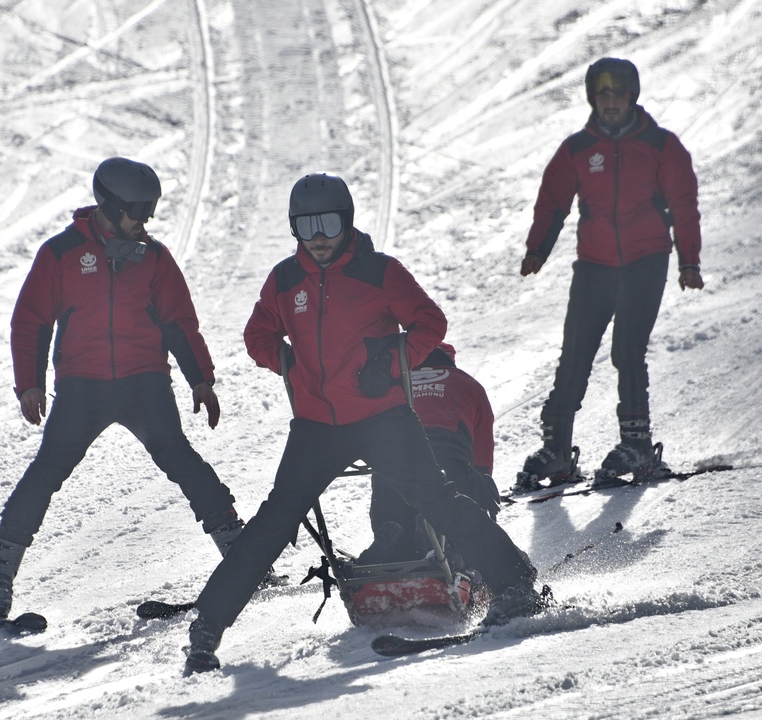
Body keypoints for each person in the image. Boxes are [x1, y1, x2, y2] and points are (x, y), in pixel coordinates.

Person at [183, 173, 543, 674]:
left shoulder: (380, 273)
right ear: (294, 229)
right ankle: (207, 627)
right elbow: (257, 334)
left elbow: (430, 324)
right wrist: (290, 365)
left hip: (382, 417)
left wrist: (391, 366)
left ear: (347, 221)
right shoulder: (286, 281)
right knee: (273, 521)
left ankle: (516, 586)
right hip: (317, 425)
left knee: (436, 500)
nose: (319, 235)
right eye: (306, 225)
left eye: (328, 222)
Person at [0, 157, 251, 621]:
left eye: (150, 211)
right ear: (108, 204)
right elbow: (32, 320)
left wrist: (199, 378)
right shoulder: (61, 254)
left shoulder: (155, 258)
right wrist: (30, 383)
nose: (144, 221)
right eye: (137, 211)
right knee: (47, 472)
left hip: (144, 382)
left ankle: (245, 558)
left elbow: (179, 323)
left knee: (180, 458)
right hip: (83, 387)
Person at [517, 57, 705, 489]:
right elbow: (553, 201)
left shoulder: (661, 145)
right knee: (575, 355)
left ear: (631, 97)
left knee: (627, 351)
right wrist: (537, 250)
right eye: (602, 94)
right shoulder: (578, 149)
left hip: (645, 259)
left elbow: (683, 203)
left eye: (618, 93)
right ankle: (557, 453)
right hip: (595, 265)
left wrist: (689, 260)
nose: (610, 102)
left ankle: (636, 445)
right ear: (592, 99)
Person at [360, 342, 501, 567]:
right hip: (446, 463)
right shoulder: (469, 384)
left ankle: (391, 540)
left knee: (394, 523)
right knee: (454, 520)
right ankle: (439, 543)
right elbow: (482, 461)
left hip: (392, 469)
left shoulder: (392, 385)